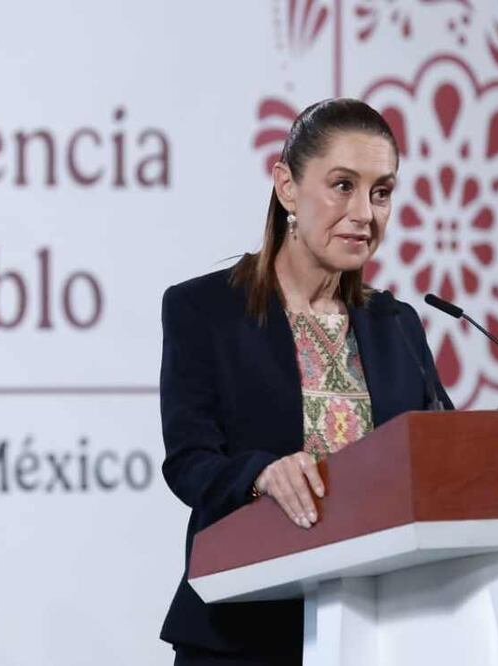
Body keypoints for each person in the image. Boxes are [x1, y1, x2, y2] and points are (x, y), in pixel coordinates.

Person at [158, 98, 454, 666]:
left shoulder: (396, 325)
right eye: (342, 185)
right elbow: (189, 461)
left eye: (381, 191)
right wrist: (260, 475)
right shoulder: (205, 310)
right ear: (287, 187)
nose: (365, 212)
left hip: (382, 634)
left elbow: (440, 456)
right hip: (247, 634)